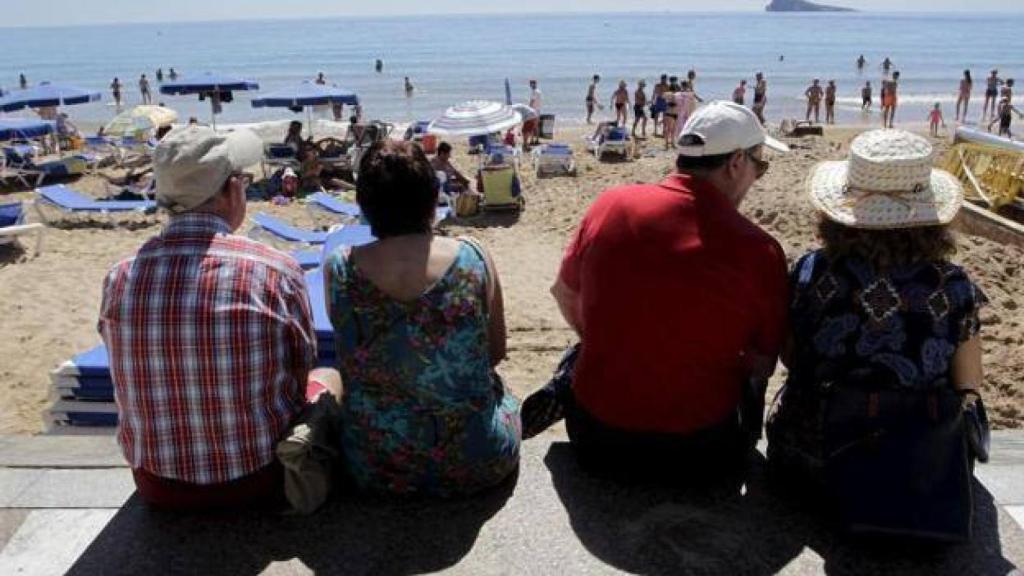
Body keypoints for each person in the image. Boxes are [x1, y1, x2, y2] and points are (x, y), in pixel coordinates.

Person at [521, 102, 790, 484]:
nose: (757, 176)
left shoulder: (610, 206)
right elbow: (762, 364)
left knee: (584, 353)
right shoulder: (759, 250)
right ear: (735, 163)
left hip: (597, 438)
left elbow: (564, 293)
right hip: (701, 451)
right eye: (759, 166)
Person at [98, 126, 342, 509]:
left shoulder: (120, 277)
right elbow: (300, 370)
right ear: (231, 190)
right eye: (243, 181)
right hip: (256, 479)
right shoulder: (273, 270)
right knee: (328, 376)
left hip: (155, 485)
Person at [767, 129, 986, 539]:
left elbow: (792, 358)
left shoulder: (812, 271)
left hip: (814, 457)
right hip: (916, 466)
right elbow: (968, 382)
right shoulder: (954, 286)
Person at [324, 140, 520, 496]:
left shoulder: (340, 266)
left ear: (365, 206)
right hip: (477, 463)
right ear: (433, 199)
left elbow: (348, 352)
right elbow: (493, 353)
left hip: (374, 466)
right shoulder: (473, 257)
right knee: (506, 394)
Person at [526, 79, 543, 146]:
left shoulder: (534, 92)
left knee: (532, 126)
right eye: (530, 84)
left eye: (531, 84)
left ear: (534, 84)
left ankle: (532, 140)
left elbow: (532, 102)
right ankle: (536, 140)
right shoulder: (539, 92)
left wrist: (528, 109)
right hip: (538, 110)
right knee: (536, 126)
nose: (530, 85)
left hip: (533, 111)